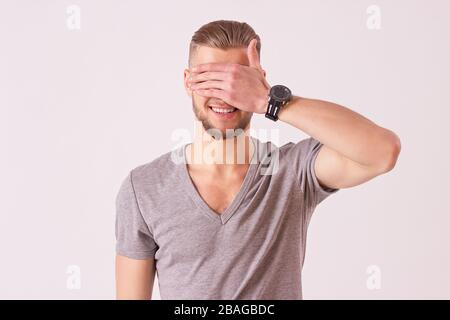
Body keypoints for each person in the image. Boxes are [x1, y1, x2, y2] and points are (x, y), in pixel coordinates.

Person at [115, 20, 401, 300]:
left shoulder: (292, 171)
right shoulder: (143, 188)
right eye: (209, 80)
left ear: (259, 80)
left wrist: (270, 101)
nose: (224, 96)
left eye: (236, 82)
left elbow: (382, 151)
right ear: (188, 82)